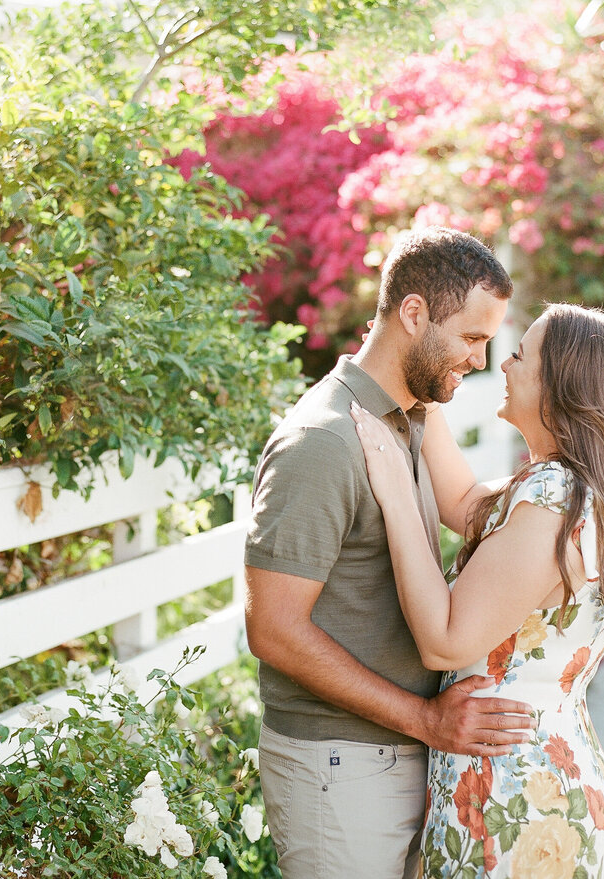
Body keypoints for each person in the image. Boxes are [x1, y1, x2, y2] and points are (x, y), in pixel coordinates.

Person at [244, 227, 536, 879]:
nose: (481, 360)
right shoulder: (324, 441)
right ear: (413, 313)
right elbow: (272, 628)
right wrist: (427, 719)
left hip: (402, 755)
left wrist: (570, 480)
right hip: (337, 768)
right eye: (471, 337)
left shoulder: (409, 417)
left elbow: (469, 507)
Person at [349, 302, 604, 878]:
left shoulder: (553, 499)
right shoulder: (569, 489)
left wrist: (396, 493)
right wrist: (415, 374)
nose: (503, 365)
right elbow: (464, 502)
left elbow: (446, 642)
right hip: (530, 782)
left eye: (520, 355)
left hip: (516, 803)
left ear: (560, 387)